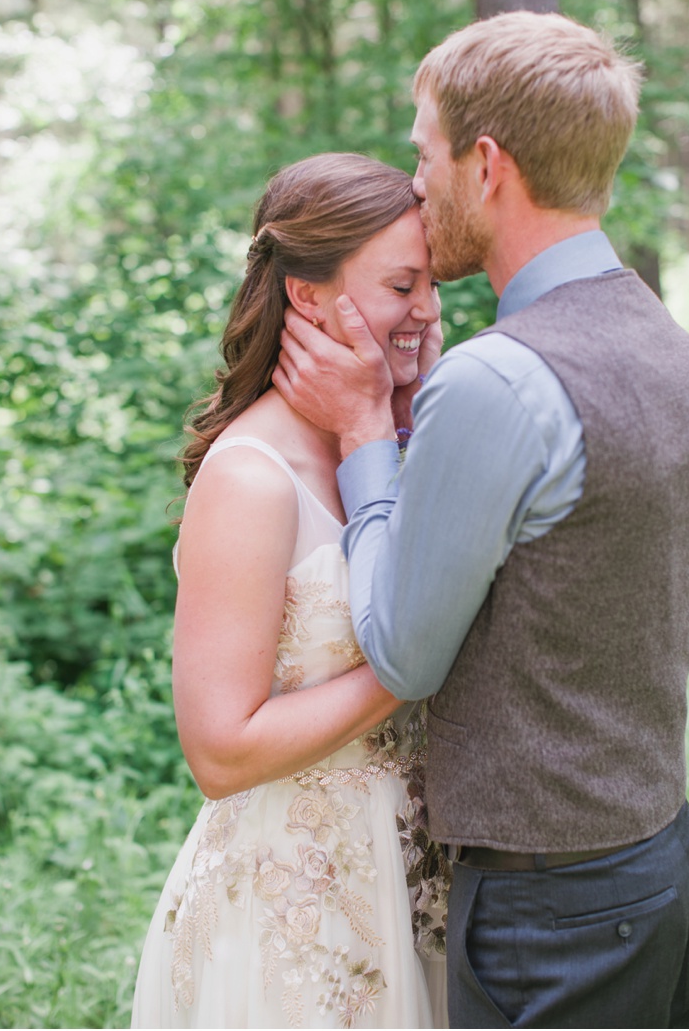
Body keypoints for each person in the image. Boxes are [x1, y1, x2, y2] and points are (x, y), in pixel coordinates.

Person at [271, 12, 689, 1028]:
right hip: (657, 859)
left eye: (425, 156)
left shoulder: (494, 381)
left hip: (550, 906)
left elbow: (402, 654)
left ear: (486, 163)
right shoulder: (667, 341)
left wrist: (358, 437)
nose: (416, 184)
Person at [131, 153, 451, 1028]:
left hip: (420, 882)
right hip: (294, 907)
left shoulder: (402, 435)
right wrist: (411, 659)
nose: (426, 310)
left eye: (433, 285)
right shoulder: (252, 475)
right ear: (308, 295)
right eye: (401, 284)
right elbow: (220, 750)